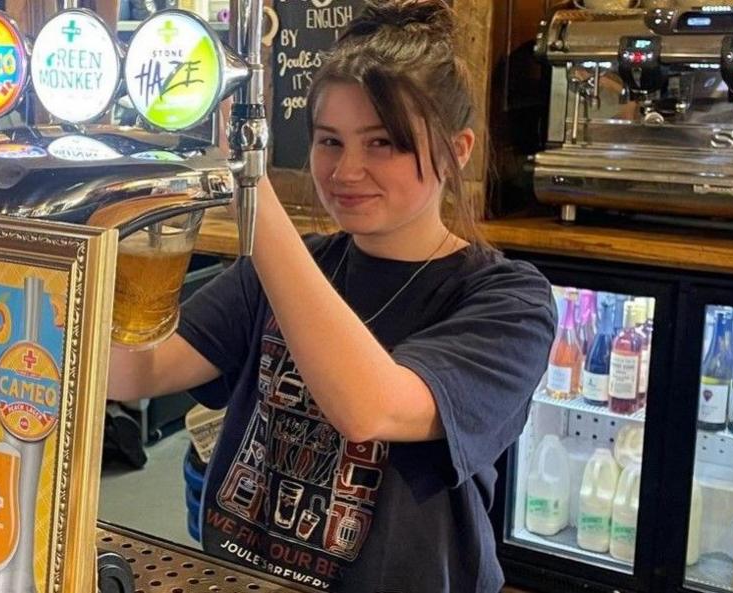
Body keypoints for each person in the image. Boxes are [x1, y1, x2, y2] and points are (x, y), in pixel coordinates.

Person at [108, 1, 556, 591]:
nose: (346, 171)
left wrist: (250, 190)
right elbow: (131, 376)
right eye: (329, 141)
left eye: (382, 144)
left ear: (460, 149)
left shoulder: (509, 301)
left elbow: (369, 408)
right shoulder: (296, 264)